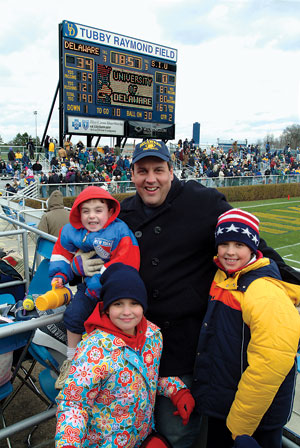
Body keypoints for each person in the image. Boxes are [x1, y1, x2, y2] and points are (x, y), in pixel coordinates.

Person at [77, 140, 300, 448]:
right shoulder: (122, 213)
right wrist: (78, 263)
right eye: (142, 171)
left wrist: (289, 280)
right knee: (127, 427)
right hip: (133, 343)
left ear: (172, 171)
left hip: (184, 348)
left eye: (158, 170)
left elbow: (250, 243)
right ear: (133, 174)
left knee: (177, 434)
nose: (150, 178)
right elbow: (86, 241)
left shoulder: (203, 201)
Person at [55, 263, 195, 448]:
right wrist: (69, 443)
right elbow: (74, 403)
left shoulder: (153, 336)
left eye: (134, 303)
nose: (127, 312)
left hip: (141, 437)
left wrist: (177, 391)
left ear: (143, 305)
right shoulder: (93, 349)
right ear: (106, 308)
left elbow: (149, 376)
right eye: (118, 304)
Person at [192, 209, 300, 448]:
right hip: (226, 407)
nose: (230, 252)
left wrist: (240, 426)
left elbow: (269, 367)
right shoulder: (225, 276)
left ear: (253, 247)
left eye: (239, 244)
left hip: (251, 422)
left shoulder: (263, 291)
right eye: (225, 244)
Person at [49, 186, 140, 389]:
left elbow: (127, 259)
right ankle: (71, 361)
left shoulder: (119, 230)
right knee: (73, 316)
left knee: (114, 330)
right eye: (85, 211)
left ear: (109, 211)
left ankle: (118, 371)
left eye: (98, 210)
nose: (92, 216)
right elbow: (61, 254)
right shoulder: (71, 231)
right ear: (77, 213)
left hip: (114, 290)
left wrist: (101, 280)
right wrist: (61, 274)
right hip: (87, 290)